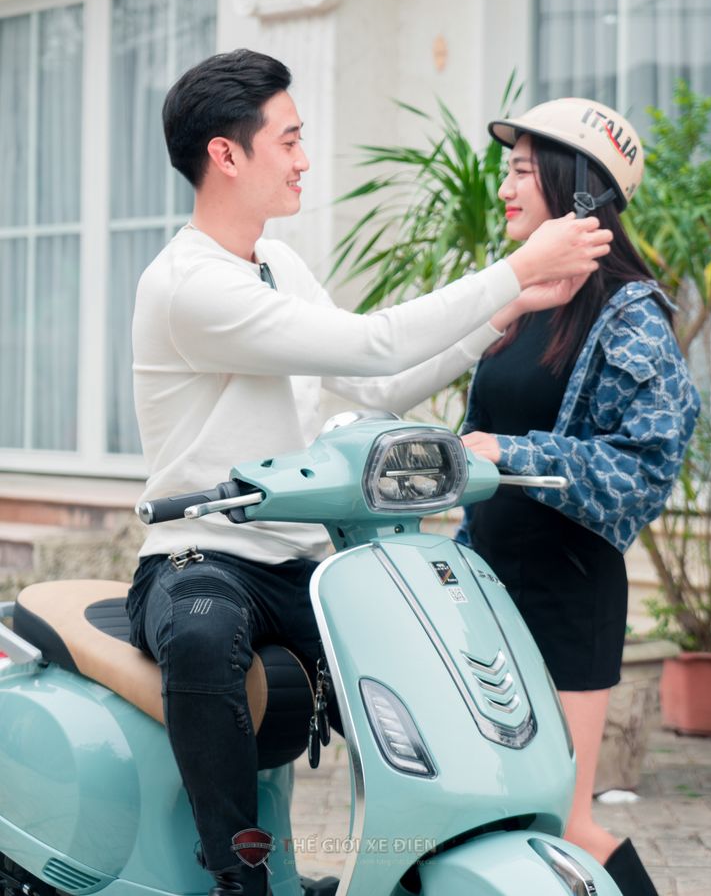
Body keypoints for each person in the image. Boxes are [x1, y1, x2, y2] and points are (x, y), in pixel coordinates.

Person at [125, 49, 613, 896]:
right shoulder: (186, 284)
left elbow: (379, 383)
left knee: (420, 661)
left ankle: (444, 855)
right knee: (202, 635)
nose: (304, 159)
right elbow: (374, 342)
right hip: (196, 557)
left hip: (298, 565)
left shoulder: (278, 266)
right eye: (289, 139)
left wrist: (505, 308)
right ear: (226, 154)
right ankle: (237, 879)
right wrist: (518, 267)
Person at [458, 98, 700, 896]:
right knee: (496, 815)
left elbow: (644, 467)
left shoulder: (629, 313)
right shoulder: (520, 300)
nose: (505, 189)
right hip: (486, 587)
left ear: (579, 188)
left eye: (523, 171)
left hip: (566, 592)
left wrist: (512, 450)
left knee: (564, 821)